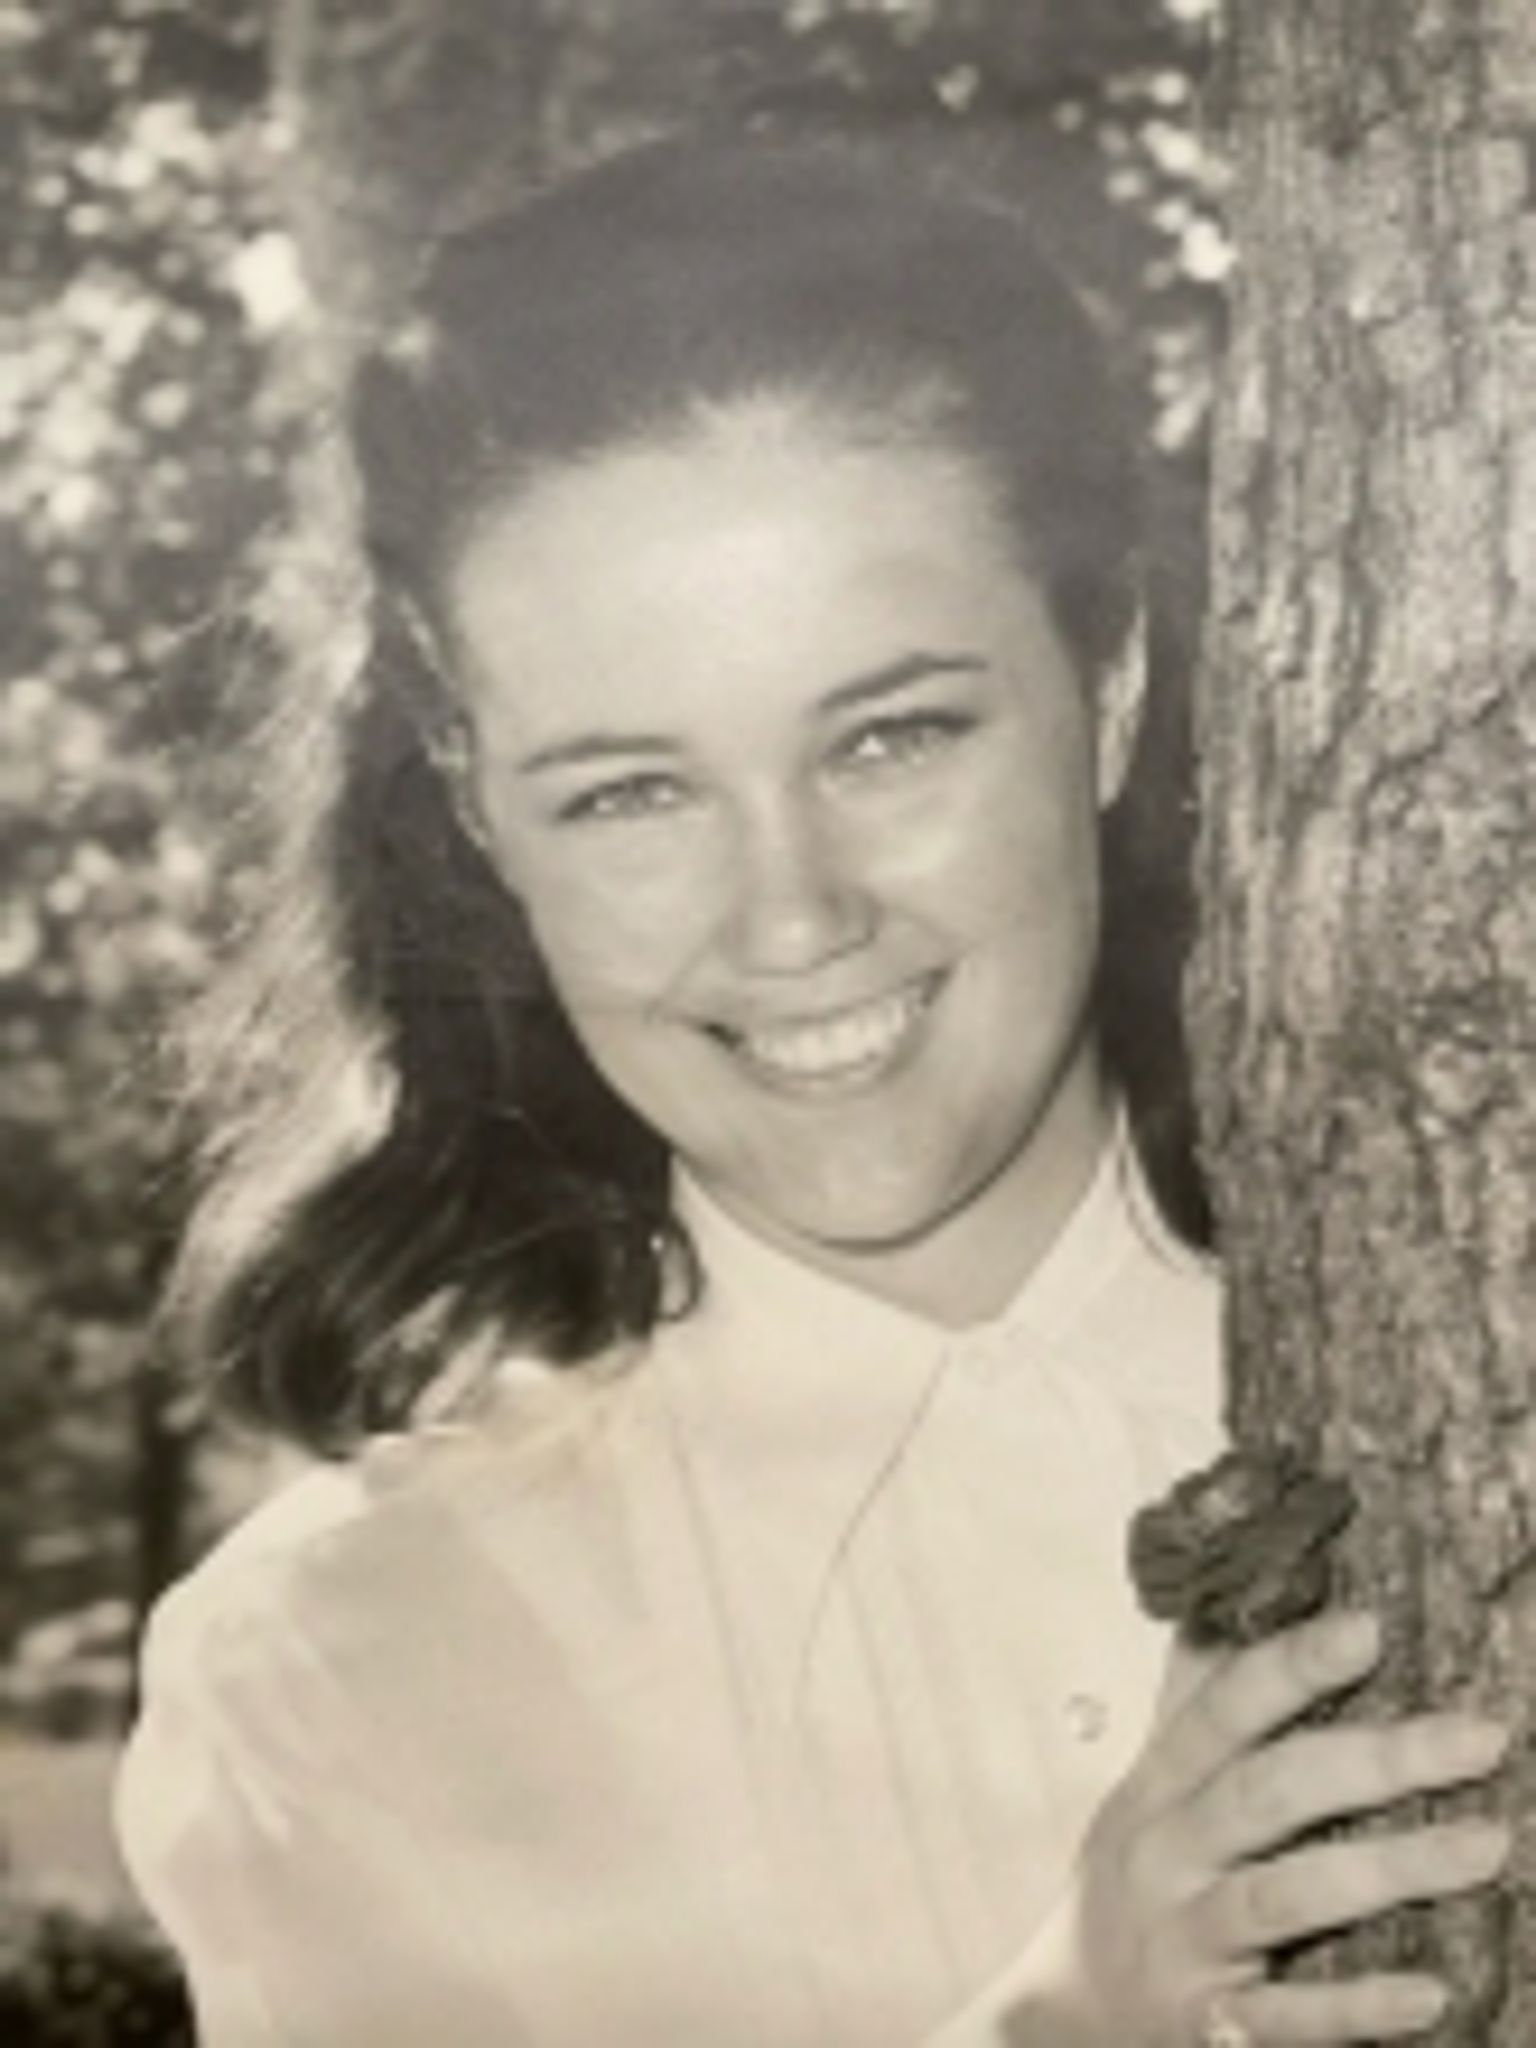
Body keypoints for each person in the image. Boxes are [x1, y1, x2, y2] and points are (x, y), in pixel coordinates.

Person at [115, 130, 1510, 2047]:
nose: (793, 918)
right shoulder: (334, 1675)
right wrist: (1075, 2017)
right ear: (479, 813)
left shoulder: (1492, 1354)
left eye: (890, 737)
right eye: (632, 791)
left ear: (1108, 684)